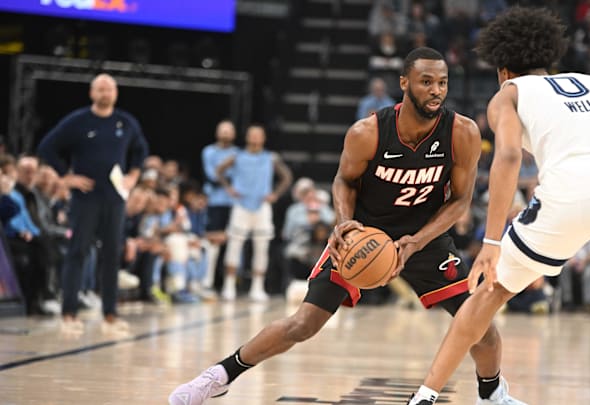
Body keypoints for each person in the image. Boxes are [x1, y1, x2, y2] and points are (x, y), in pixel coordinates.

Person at [168, 47, 525, 405]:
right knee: (302, 324)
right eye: (426, 82)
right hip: (365, 237)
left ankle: (492, 395)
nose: (436, 90)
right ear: (404, 83)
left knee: (481, 325)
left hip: (425, 237)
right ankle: (219, 376)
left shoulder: (461, 132)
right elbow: (343, 181)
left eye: (442, 83)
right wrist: (345, 223)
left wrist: (416, 241)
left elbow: (460, 201)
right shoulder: (367, 131)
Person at [406, 8, 590, 405]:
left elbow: (509, 157)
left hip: (572, 189)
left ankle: (425, 396)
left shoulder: (509, 93)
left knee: (490, 291)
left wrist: (492, 243)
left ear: (502, 70)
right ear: (549, 59)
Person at [37, 73, 149, 334]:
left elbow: (141, 151)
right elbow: (47, 147)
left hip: (115, 200)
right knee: (77, 252)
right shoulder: (78, 121)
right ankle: (69, 313)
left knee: (112, 255)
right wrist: (67, 177)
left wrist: (133, 176)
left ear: (116, 93)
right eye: (100, 89)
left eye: (109, 89)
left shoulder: (125, 122)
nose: (105, 93)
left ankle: (109, 314)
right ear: (91, 93)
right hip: (85, 199)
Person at [216, 124, 293, 301]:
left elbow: (287, 177)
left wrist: (275, 194)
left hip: (262, 206)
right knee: (234, 245)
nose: (256, 137)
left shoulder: (270, 157)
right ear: (247, 137)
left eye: (259, 134)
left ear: (264, 138)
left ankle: (257, 287)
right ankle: (229, 285)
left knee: (261, 247)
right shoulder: (237, 156)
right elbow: (219, 171)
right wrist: (228, 187)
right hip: (241, 204)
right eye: (253, 134)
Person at [200, 120, 240, 295]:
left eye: (228, 131)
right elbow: (212, 175)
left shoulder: (238, 153)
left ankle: (229, 284)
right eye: (222, 130)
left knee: (233, 242)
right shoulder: (209, 151)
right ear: (217, 133)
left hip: (234, 203)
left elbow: (240, 178)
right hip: (215, 202)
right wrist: (226, 173)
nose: (225, 133)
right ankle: (207, 281)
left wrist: (224, 173)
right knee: (213, 241)